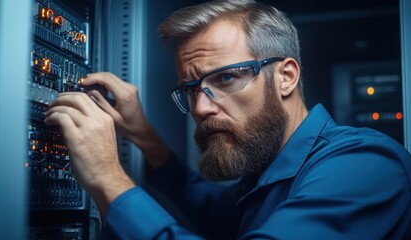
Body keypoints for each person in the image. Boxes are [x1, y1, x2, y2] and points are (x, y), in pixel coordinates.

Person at [44, 0, 411, 239]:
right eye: (190, 89)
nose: (201, 109)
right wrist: (144, 136)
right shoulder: (264, 175)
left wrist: (108, 178)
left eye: (225, 78)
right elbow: (211, 209)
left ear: (286, 77)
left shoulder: (367, 165)